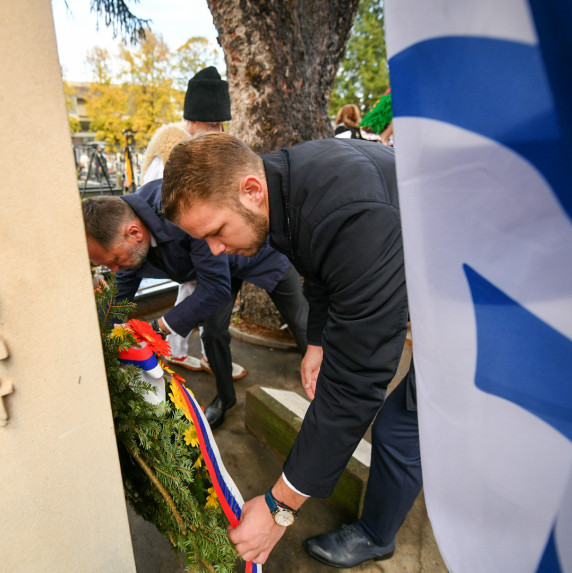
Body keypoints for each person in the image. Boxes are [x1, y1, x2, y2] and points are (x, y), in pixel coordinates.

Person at [161, 132, 418, 568]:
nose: (216, 250)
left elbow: (356, 382)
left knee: (400, 425)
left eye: (218, 231)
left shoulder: (350, 216)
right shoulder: (286, 181)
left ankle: (377, 535)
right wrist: (316, 341)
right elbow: (319, 273)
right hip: (411, 260)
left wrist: (280, 507)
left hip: (480, 299)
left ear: (251, 190)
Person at [82, 179, 309, 430]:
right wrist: (100, 342)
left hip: (259, 254)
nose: (114, 269)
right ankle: (225, 398)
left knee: (301, 322)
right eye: (107, 265)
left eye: (115, 260)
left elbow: (215, 288)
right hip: (214, 271)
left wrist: (157, 328)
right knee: (212, 334)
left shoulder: (183, 205)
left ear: (134, 233)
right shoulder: (122, 231)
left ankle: (325, 380)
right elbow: (118, 299)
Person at [140, 66, 247, 380]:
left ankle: (188, 351)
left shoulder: (199, 148)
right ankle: (184, 352)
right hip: (179, 239)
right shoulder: (168, 156)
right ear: (192, 120)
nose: (217, 129)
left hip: (201, 235)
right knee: (195, 292)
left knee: (197, 292)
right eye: (210, 123)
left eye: (220, 123)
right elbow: (157, 203)